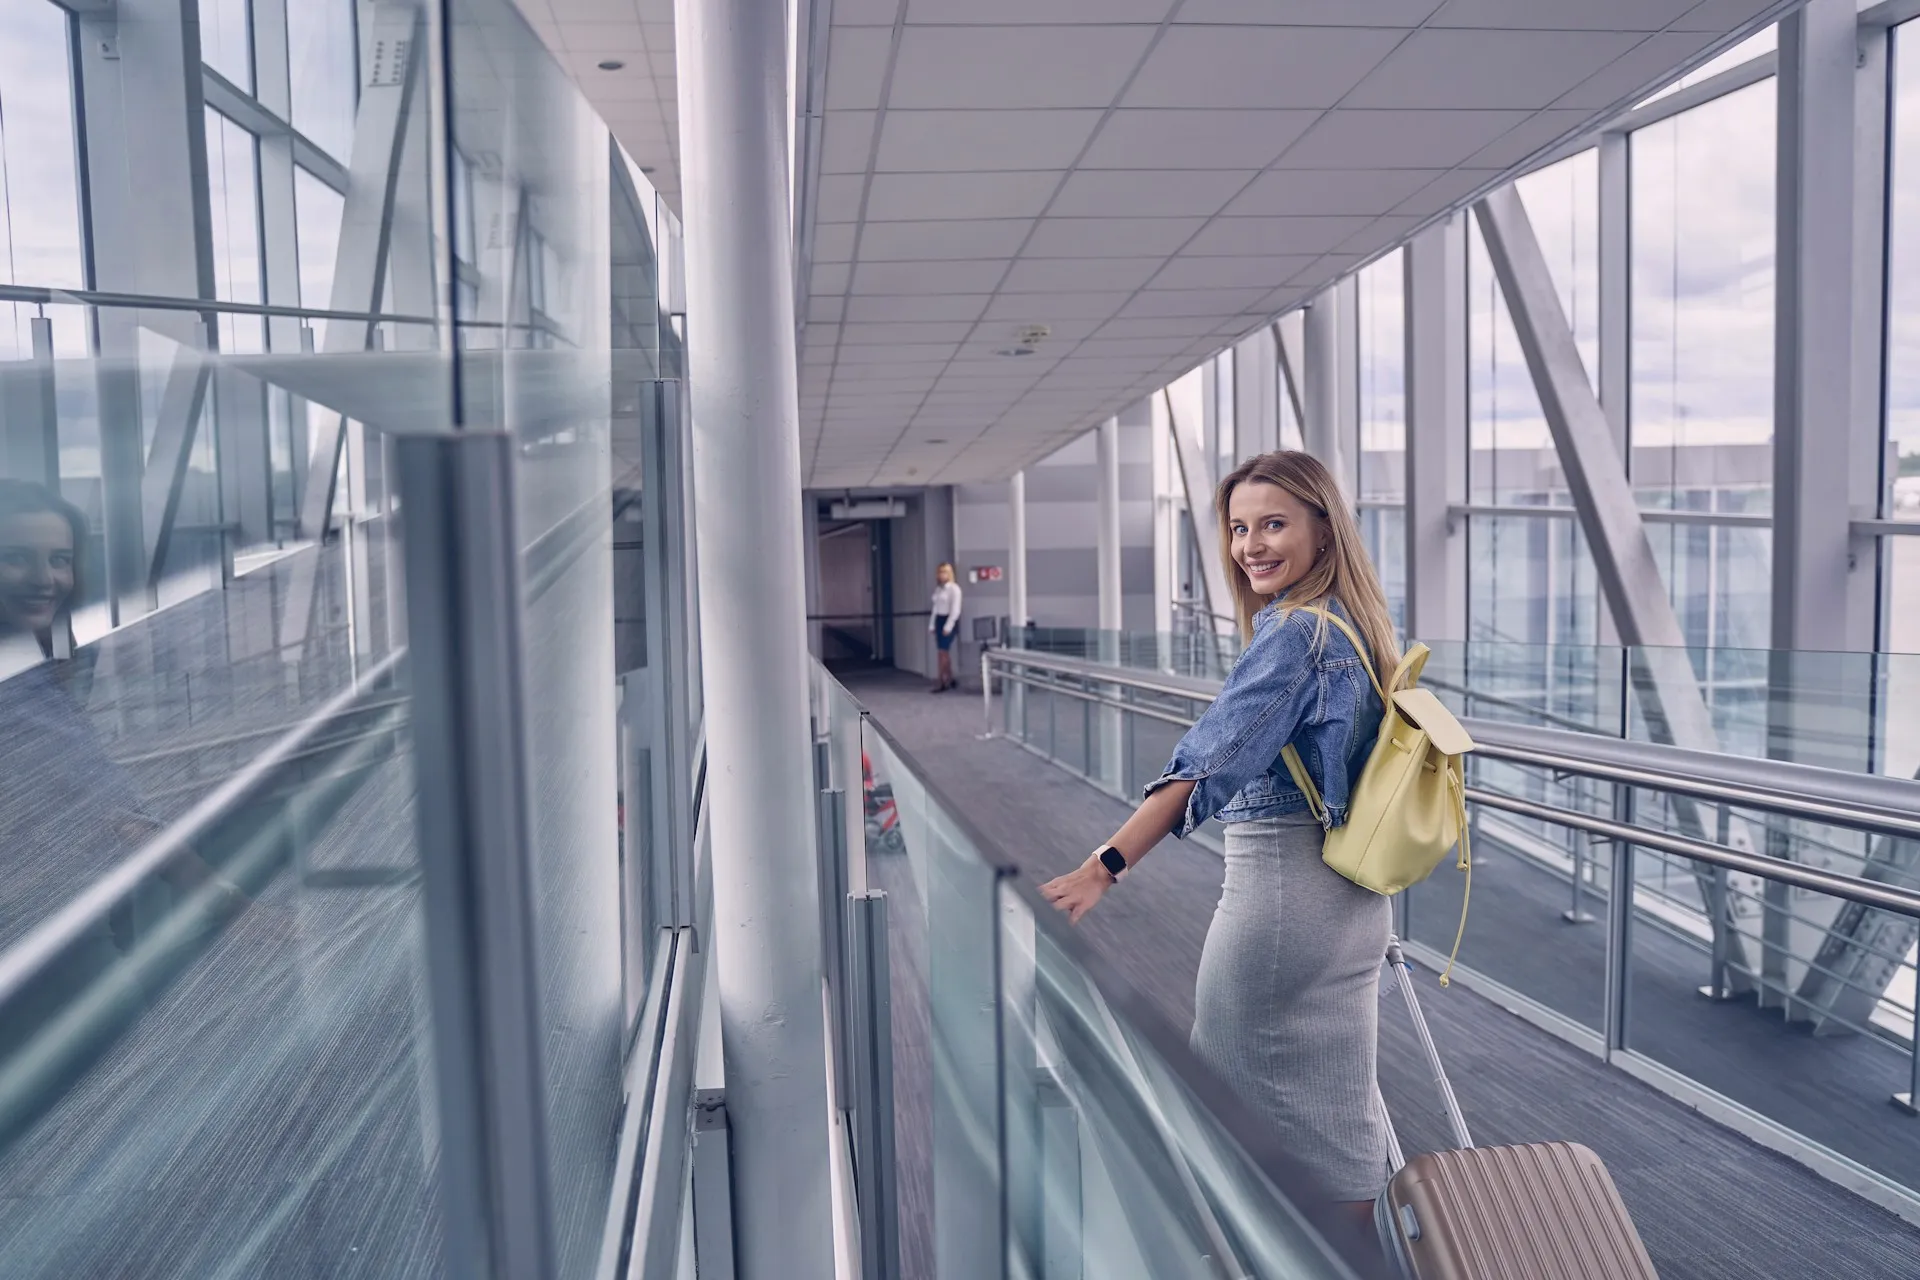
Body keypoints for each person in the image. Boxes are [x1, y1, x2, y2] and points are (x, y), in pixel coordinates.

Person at [1038, 450, 1401, 1230]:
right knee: (1336, 1119)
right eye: (1239, 527)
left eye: (1274, 523)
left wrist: (1105, 865)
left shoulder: (1297, 634)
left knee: (1236, 1108)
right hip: (1352, 905)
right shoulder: (1356, 625)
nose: (1251, 546)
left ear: (1322, 527)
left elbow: (1208, 761)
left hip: (1280, 908)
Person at [928, 561, 962, 693]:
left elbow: (955, 610)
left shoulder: (954, 589)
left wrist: (948, 626)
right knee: (943, 652)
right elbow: (935, 609)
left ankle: (941, 681)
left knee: (942, 652)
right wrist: (932, 624)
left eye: (944, 572)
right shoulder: (939, 589)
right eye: (940, 572)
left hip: (949, 620)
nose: (942, 575)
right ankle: (950, 678)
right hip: (939, 619)